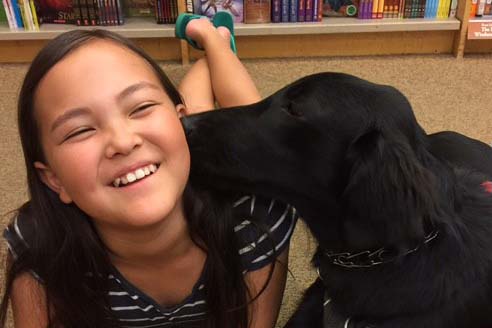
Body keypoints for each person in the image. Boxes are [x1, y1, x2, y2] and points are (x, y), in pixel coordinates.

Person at [0, 17, 298, 328]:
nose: (123, 142)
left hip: (197, 156)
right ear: (53, 178)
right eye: (81, 130)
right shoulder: (41, 244)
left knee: (252, 122)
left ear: (179, 123)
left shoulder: (253, 213)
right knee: (198, 108)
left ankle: (213, 39)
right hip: (172, 146)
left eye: (141, 107)